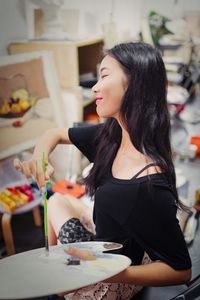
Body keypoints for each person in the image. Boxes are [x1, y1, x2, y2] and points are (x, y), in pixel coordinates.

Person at [14, 42, 192, 299]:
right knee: (57, 201)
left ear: (135, 84)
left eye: (105, 75)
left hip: (109, 279)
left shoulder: (146, 183)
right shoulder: (112, 135)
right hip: (106, 243)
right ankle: (52, 268)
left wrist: (107, 271)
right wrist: (39, 157)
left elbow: (180, 270)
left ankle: (59, 282)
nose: (95, 87)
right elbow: (52, 133)